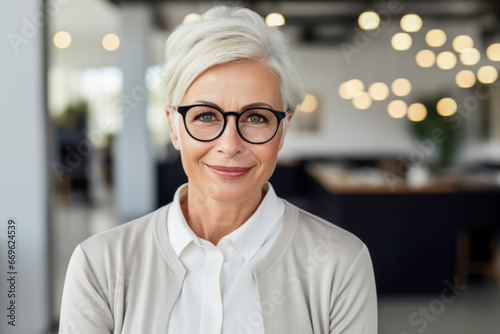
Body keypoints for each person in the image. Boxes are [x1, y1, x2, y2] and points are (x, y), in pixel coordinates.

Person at [59, 6, 377, 334]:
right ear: (173, 126)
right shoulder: (99, 264)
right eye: (206, 116)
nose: (229, 145)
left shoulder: (340, 263)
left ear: (283, 129)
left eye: (256, 117)